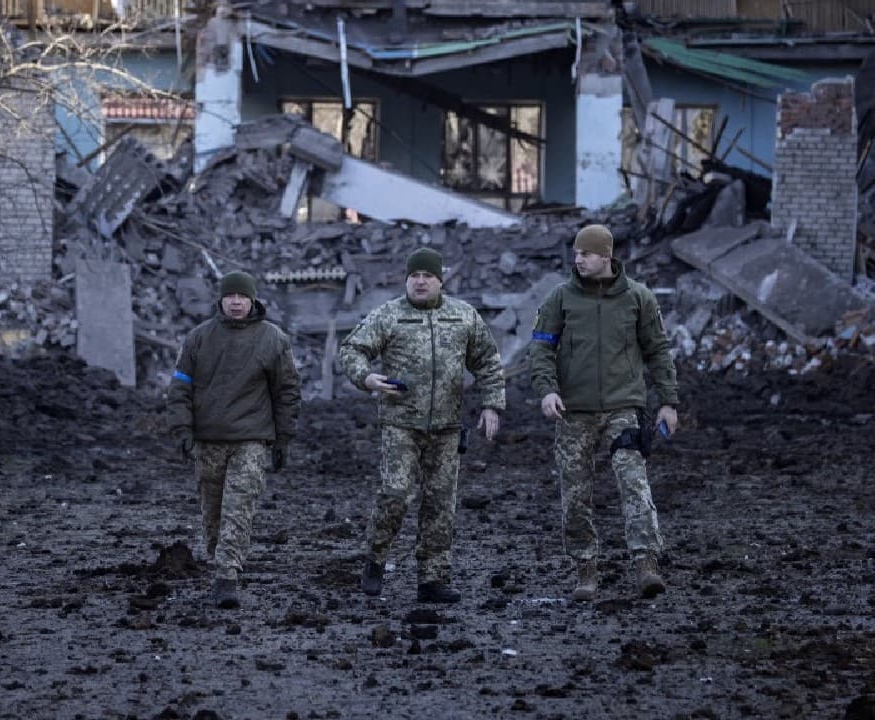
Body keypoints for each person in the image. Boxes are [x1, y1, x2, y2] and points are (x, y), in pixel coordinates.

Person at [339, 247, 505, 604]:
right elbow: (352, 349)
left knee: (440, 503)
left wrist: (492, 405)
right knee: (396, 493)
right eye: (414, 275)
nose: (420, 281)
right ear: (406, 279)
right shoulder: (388, 315)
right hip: (401, 423)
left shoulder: (463, 316)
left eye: (427, 275)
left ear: (439, 281)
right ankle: (376, 558)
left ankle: (432, 577)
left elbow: (488, 361)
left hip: (446, 427)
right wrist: (365, 377)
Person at [528, 224, 679, 602]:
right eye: (576, 254)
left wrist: (668, 402)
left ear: (606, 256)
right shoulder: (559, 299)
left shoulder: (638, 299)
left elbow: (658, 351)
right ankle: (586, 569)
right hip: (572, 413)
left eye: (586, 254)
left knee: (634, 483)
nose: (578, 260)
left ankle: (646, 564)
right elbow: (541, 350)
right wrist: (546, 391)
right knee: (576, 494)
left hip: (623, 409)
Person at [166, 271, 300, 610]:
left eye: (243, 296)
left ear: (253, 299)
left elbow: (287, 391)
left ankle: (227, 576)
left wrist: (283, 438)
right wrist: (182, 430)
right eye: (231, 296)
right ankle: (219, 558)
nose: (237, 302)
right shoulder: (199, 339)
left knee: (238, 508)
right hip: (208, 440)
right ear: (221, 300)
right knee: (212, 511)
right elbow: (180, 387)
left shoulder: (273, 340)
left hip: (251, 439)